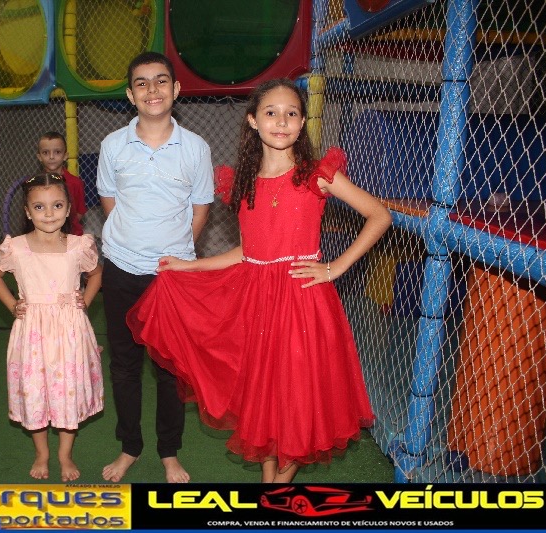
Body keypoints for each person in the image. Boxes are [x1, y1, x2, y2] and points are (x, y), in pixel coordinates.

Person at [127, 78, 392, 483]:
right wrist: (190, 266)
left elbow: (379, 215)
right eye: (271, 112)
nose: (281, 121)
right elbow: (250, 252)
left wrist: (335, 267)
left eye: (291, 113)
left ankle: (276, 486)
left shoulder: (316, 175)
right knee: (266, 396)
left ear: (302, 123)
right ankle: (271, 481)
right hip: (257, 303)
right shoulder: (243, 182)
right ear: (253, 120)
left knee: (296, 397)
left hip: (302, 302)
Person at [96, 51, 214, 483]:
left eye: (161, 81)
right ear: (130, 95)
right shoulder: (112, 145)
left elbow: (200, 211)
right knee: (125, 364)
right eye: (142, 83)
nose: (152, 90)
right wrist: (132, 243)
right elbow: (110, 203)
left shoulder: (196, 148)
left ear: (176, 89)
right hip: (120, 268)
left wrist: (175, 255)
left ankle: (169, 453)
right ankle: (130, 446)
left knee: (170, 369)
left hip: (171, 277)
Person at [0, 172, 104, 482]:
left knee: (67, 391)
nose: (49, 213)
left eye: (57, 205)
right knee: (35, 390)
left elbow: (95, 274)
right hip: (33, 334)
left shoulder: (79, 246)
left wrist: (85, 300)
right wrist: (12, 304)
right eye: (39, 207)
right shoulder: (15, 248)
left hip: (69, 332)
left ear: (68, 209)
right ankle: (42, 453)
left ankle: (65, 454)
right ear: (27, 212)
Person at [37, 131, 88, 236]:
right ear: (39, 157)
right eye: (45, 152)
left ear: (65, 156)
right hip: (44, 236)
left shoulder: (76, 183)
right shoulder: (35, 184)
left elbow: (80, 212)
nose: (51, 157)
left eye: (57, 152)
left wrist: (64, 226)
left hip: (71, 235)